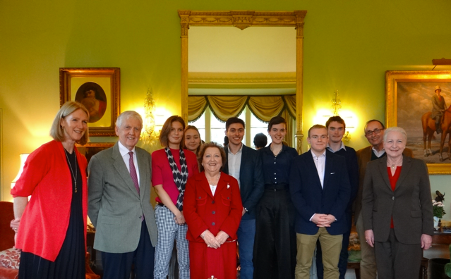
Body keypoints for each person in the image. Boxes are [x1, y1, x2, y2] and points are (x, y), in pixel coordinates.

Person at [10, 101, 89, 279]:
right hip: (45, 235)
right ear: (62, 122)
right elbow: (20, 192)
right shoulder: (44, 153)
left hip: (74, 231)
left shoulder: (81, 159)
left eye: (84, 122)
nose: (80, 126)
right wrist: (20, 225)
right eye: (75, 119)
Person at [88, 111, 158, 279]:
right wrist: (107, 228)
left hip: (146, 232)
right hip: (114, 235)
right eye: (127, 127)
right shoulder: (100, 160)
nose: (132, 133)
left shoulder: (146, 157)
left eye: (136, 128)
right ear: (117, 130)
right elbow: (92, 201)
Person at [362, 127, 433, 279]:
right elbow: (367, 200)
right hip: (381, 229)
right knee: (385, 274)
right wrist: (368, 228)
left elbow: (426, 200)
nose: (394, 145)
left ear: (405, 143)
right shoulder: (373, 167)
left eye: (399, 141)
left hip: (410, 230)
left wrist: (427, 232)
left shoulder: (418, 166)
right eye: (390, 141)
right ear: (384, 143)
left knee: (406, 274)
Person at [289, 124, 351, 279]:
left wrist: (333, 215)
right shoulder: (298, 162)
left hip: (333, 223)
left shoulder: (340, 161)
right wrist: (312, 216)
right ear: (309, 139)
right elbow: (295, 193)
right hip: (307, 222)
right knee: (303, 266)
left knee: (332, 268)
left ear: (328, 139)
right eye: (315, 136)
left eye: (323, 136)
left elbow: (345, 191)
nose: (320, 139)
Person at [355, 119, 413, 279]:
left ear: (384, 131)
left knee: (391, 255)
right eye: (369, 132)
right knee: (368, 257)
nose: (373, 134)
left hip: (395, 212)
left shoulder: (405, 153)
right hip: (366, 211)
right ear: (366, 136)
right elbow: (357, 185)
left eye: (377, 130)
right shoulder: (360, 155)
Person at [184, 142, 243, 279]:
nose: (212, 160)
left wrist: (225, 233)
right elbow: (189, 210)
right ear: (202, 161)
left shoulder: (232, 182)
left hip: (225, 241)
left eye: (217, 156)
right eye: (208, 156)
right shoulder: (193, 182)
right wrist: (205, 234)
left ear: (222, 161)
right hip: (200, 241)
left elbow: (236, 209)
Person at [152, 115, 199, 279]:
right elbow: (158, 188)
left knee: (186, 262)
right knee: (162, 260)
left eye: (180, 130)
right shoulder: (156, 155)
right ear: (166, 131)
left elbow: (195, 187)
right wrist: (177, 213)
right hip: (166, 212)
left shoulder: (191, 156)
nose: (176, 133)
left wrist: (186, 212)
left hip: (187, 213)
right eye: (173, 129)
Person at [253, 116, 298, 279]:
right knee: (264, 242)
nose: (278, 133)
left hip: (286, 199)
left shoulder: (292, 153)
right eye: (275, 130)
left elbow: (296, 179)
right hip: (264, 200)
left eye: (282, 130)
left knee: (285, 242)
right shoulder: (260, 154)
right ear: (269, 132)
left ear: (286, 132)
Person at [316, 116, 359, 279]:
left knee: (341, 253)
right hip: (320, 214)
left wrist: (337, 212)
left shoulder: (351, 154)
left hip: (342, 214)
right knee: (321, 254)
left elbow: (353, 185)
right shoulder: (318, 152)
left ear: (344, 131)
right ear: (327, 131)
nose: (336, 132)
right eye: (332, 128)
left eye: (339, 128)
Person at [222, 117, 264, 279]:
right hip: (223, 215)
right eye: (232, 130)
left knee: (247, 259)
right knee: (225, 258)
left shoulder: (254, 155)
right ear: (226, 132)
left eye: (240, 130)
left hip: (247, 214)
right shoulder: (218, 154)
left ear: (244, 132)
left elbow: (259, 185)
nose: (236, 133)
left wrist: (244, 208)